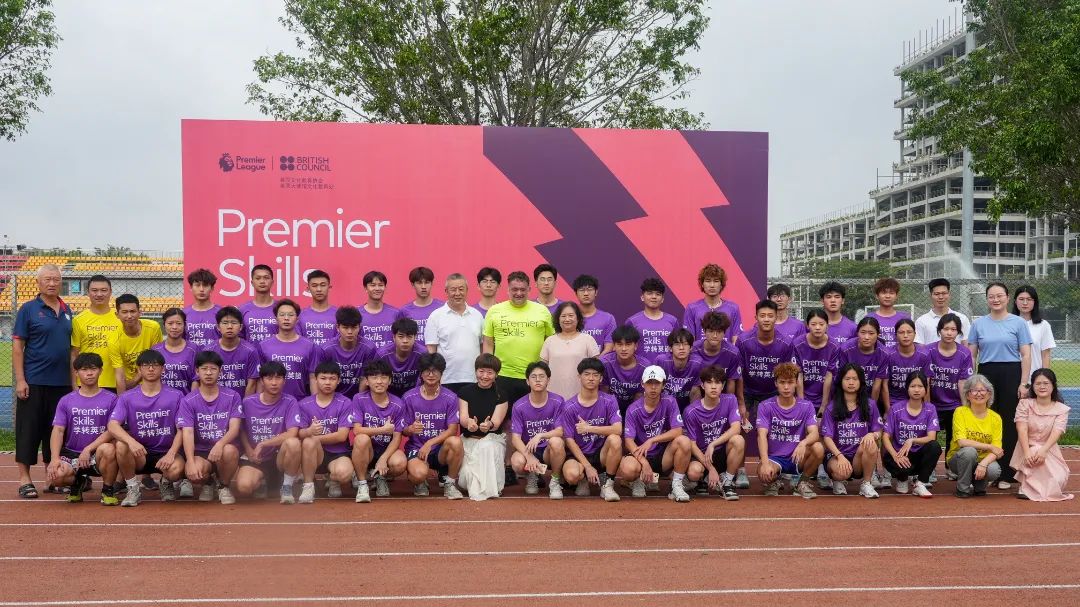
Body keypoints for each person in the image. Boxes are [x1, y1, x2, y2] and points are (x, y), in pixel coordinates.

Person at [968, 282, 1032, 490]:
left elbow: (1026, 354)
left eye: (999, 296)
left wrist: (1024, 383)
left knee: (1008, 422)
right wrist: (973, 381)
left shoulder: (1018, 323)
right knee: (985, 421)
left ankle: (1006, 473)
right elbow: (972, 355)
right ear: (987, 299)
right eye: (991, 296)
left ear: (1007, 298)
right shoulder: (978, 324)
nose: (995, 300)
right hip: (986, 373)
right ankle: (986, 470)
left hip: (1011, 374)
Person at [108, 349, 186, 506]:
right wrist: (131, 442)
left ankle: (166, 483)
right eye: (146, 365)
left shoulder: (176, 395)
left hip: (166, 452)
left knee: (176, 470)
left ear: (163, 369)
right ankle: (133, 489)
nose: (151, 369)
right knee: (121, 445)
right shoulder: (127, 397)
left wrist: (171, 453)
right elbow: (112, 425)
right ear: (139, 369)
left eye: (155, 365)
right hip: (140, 453)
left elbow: (182, 429)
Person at [45, 353, 118, 503]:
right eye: (84, 369)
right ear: (76, 372)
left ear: (101, 370)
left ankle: (107, 490)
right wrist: (54, 459)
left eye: (93, 369)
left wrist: (88, 449)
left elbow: (112, 430)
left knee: (109, 449)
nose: (89, 373)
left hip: (97, 453)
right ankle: (78, 482)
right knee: (56, 476)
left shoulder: (112, 399)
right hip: (72, 453)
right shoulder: (66, 400)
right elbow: (58, 430)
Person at [618, 366, 693, 502]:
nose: (653, 387)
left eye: (657, 383)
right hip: (640, 455)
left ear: (663, 385)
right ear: (642, 384)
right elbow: (628, 441)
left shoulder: (670, 401)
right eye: (649, 383)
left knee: (684, 441)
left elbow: (678, 430)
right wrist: (644, 463)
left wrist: (652, 440)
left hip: (663, 455)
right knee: (628, 469)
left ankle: (676, 485)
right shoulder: (633, 409)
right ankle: (637, 481)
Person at [177, 350, 242, 505]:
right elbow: (187, 432)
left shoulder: (233, 396)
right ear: (197, 371)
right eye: (204, 368)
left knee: (229, 451)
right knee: (194, 470)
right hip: (200, 451)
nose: (208, 373)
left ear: (220, 371)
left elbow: (234, 428)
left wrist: (220, 444)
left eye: (213, 369)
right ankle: (208, 483)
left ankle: (223, 485)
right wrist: (190, 461)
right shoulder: (188, 400)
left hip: (223, 448)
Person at [482, 270, 555, 407]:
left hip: (534, 376)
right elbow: (488, 343)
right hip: (502, 375)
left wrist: (544, 371)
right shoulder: (494, 311)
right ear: (508, 290)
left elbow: (551, 342)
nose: (519, 293)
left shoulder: (542, 311)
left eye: (523, 289)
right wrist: (489, 371)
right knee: (503, 417)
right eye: (514, 289)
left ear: (529, 289)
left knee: (533, 416)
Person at [233, 361, 302, 504]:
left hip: (279, 458)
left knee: (293, 443)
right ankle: (262, 481)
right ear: (262, 381)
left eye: (278, 378)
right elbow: (241, 430)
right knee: (244, 487)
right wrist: (248, 449)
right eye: (269, 378)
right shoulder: (247, 402)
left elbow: (292, 432)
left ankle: (287, 486)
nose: (274, 383)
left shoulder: (290, 401)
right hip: (256, 458)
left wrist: (263, 443)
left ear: (284, 381)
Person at [755, 362, 823, 499]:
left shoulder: (806, 406)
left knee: (818, 448)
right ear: (776, 383)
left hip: (797, 456)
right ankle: (774, 481)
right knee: (764, 473)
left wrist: (803, 443)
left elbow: (815, 433)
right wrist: (765, 463)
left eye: (790, 382)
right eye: (782, 382)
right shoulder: (765, 406)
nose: (786, 387)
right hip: (775, 458)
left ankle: (802, 483)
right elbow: (761, 435)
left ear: (796, 383)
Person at [401, 353, 465, 499]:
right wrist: (411, 429)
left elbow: (453, 430)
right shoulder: (409, 397)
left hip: (440, 450)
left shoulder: (450, 397)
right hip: (417, 448)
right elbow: (403, 430)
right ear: (421, 373)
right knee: (418, 475)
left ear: (441, 373)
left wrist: (430, 443)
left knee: (456, 442)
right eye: (427, 371)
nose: (431, 375)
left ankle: (449, 483)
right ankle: (419, 482)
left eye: (435, 371)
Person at [560, 357, 623, 501]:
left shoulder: (609, 400)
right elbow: (569, 440)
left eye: (595, 375)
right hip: (578, 455)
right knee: (571, 475)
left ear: (601, 378)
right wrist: (587, 466)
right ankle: (582, 479)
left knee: (615, 439)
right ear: (579, 377)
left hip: (600, 454)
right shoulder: (569, 406)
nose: (591, 378)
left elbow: (618, 429)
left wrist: (589, 428)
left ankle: (607, 484)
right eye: (587, 374)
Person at [296, 361, 355, 504]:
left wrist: (315, 437)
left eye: (332, 378)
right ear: (315, 379)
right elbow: (299, 433)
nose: (327, 382)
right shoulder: (304, 404)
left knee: (344, 474)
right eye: (323, 378)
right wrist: (309, 431)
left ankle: (333, 478)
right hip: (314, 453)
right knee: (308, 441)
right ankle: (308, 486)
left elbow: (342, 436)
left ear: (338, 380)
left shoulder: (345, 402)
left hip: (338, 453)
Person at [820, 364, 883, 499]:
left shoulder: (870, 404)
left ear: (861, 382)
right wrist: (839, 456)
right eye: (847, 379)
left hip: (858, 457)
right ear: (841, 381)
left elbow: (879, 430)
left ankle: (866, 484)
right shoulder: (832, 407)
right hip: (837, 455)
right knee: (841, 473)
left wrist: (872, 434)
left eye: (855, 379)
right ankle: (837, 480)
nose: (851, 382)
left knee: (871, 443)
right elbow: (827, 437)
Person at [349, 359, 407, 502]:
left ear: (390, 381)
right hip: (367, 450)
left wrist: (383, 459)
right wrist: (382, 429)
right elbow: (357, 430)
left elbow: (397, 437)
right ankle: (363, 484)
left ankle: (380, 477)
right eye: (374, 377)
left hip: (386, 449)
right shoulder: (359, 399)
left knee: (400, 463)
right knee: (361, 439)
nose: (379, 381)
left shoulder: (398, 404)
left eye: (383, 377)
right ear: (367, 381)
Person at [683, 365, 743, 500]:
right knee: (694, 472)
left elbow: (736, 428)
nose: (714, 387)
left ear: (723, 385)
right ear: (702, 386)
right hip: (701, 455)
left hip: (720, 453)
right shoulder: (691, 411)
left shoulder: (730, 400)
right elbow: (692, 445)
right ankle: (702, 480)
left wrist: (713, 444)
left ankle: (727, 483)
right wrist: (711, 469)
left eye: (718, 382)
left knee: (738, 440)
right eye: (709, 382)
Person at [1012, 369, 1073, 501]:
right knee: (1034, 451)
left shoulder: (1061, 409)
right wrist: (1027, 453)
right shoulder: (1024, 404)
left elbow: (1057, 431)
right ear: (1033, 386)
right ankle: (1026, 486)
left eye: (1046, 383)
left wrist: (1044, 450)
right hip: (1026, 447)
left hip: (1048, 448)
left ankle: (1035, 486)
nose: (1042, 386)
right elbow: (1022, 429)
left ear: (1053, 385)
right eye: (1038, 383)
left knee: (1059, 480)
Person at [509, 361, 566, 499]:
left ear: (548, 380)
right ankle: (532, 475)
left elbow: (560, 431)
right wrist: (529, 457)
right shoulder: (519, 405)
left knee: (556, 442)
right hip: (529, 449)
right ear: (527, 381)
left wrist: (540, 435)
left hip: (548, 450)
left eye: (542, 376)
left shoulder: (558, 401)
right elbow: (515, 438)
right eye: (533, 377)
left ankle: (555, 481)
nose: (538, 380)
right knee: (517, 462)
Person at [456, 353, 509, 500]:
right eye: (481, 371)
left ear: (496, 375)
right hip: (468, 441)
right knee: (465, 480)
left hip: (492, 440)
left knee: (487, 447)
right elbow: (463, 418)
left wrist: (489, 425)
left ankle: (492, 487)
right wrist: (469, 423)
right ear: (475, 371)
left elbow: (496, 422)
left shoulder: (501, 395)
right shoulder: (465, 392)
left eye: (490, 372)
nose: (485, 376)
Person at [882, 371, 941, 498]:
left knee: (935, 446)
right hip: (901, 454)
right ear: (907, 388)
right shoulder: (896, 408)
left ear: (925, 389)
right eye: (913, 386)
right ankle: (902, 479)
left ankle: (920, 483)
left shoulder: (930, 409)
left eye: (920, 386)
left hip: (919, 455)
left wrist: (912, 440)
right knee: (895, 463)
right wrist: (895, 456)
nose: (917, 390)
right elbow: (885, 436)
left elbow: (931, 437)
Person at [928, 313, 975, 472]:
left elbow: (963, 382)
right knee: (930, 438)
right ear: (939, 330)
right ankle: (929, 470)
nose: (949, 333)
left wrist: (965, 407)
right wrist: (926, 405)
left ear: (958, 332)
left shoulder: (964, 353)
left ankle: (950, 467)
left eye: (953, 329)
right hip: (933, 404)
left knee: (953, 437)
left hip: (953, 404)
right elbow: (926, 380)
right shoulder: (929, 350)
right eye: (946, 329)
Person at [738, 300, 797, 425]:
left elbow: (789, 375)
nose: (766, 319)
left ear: (776, 318)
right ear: (756, 318)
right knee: (743, 428)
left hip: (774, 393)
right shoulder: (743, 341)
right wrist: (741, 403)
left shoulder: (786, 343)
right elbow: (738, 374)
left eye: (770, 316)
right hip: (747, 393)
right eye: (762, 316)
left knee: (771, 430)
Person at [425, 273, 484, 394]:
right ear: (446, 291)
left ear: (467, 290)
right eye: (453, 289)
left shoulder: (477, 315)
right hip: (446, 379)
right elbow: (431, 351)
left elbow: (483, 347)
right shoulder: (436, 316)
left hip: (474, 378)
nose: (457, 293)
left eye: (461, 289)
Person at [947, 374, 1003, 498]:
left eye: (983, 390)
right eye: (974, 390)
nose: (979, 394)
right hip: (959, 458)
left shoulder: (996, 418)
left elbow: (997, 449)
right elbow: (962, 442)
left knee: (994, 470)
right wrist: (989, 446)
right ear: (968, 395)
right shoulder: (960, 412)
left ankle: (979, 484)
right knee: (969, 452)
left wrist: (983, 464)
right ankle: (963, 489)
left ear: (989, 394)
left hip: (982, 459)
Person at [822, 317, 887, 414]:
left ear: (878, 334)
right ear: (857, 333)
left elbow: (877, 386)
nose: (866, 337)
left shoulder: (884, 353)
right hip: (847, 395)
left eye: (871, 333)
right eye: (863, 332)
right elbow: (843, 379)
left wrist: (870, 408)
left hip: (870, 396)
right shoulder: (846, 349)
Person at [257, 299, 321, 399]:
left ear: (297, 319)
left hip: (299, 402)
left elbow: (313, 378)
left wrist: (314, 404)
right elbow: (260, 379)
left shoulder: (309, 346)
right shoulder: (264, 345)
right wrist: (258, 403)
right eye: (282, 315)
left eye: (291, 315)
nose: (286, 318)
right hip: (272, 403)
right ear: (276, 319)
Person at [69, 274, 121, 392]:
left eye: (104, 290)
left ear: (110, 292)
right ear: (88, 292)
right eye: (94, 290)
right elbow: (74, 354)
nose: (99, 294)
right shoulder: (79, 320)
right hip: (86, 382)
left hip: (116, 381)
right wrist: (74, 383)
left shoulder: (120, 317)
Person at [540, 301, 600, 399]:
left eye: (571, 315)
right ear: (558, 319)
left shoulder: (587, 339)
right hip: (553, 397)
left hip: (581, 397)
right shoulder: (550, 341)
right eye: (563, 316)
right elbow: (542, 370)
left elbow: (597, 369)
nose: (567, 319)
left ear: (578, 318)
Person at [108, 294, 163, 393]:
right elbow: (119, 376)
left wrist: (139, 376)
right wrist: (121, 400)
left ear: (139, 312)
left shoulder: (153, 328)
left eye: (133, 311)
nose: (129, 316)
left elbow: (156, 363)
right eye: (124, 312)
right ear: (117, 315)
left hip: (151, 381)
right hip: (129, 386)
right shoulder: (113, 340)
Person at [321, 306, 377, 398]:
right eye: (345, 327)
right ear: (337, 327)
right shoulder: (327, 349)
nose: (350, 332)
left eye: (354, 327)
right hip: (334, 398)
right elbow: (323, 379)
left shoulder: (369, 348)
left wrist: (358, 401)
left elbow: (365, 378)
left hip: (360, 396)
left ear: (359, 327)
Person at [206, 306, 260, 398]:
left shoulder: (250, 351)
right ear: (218, 327)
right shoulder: (209, 350)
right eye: (225, 323)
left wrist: (244, 405)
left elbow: (252, 384)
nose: (230, 327)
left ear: (241, 327)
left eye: (234, 323)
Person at [881, 319, 935, 406]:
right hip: (894, 401)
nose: (905, 336)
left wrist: (926, 408)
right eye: (901, 332)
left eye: (909, 332)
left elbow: (927, 384)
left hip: (917, 401)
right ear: (895, 335)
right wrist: (888, 410)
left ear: (915, 334)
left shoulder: (924, 354)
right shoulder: (888, 354)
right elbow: (884, 385)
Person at [794, 309, 839, 414]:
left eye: (821, 324)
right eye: (813, 324)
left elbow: (829, 375)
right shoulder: (797, 344)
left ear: (827, 325)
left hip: (826, 398)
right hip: (803, 396)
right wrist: (802, 403)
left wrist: (824, 405)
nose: (818, 327)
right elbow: (798, 374)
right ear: (807, 325)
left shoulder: (834, 346)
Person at [683, 263, 741, 342]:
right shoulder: (692, 308)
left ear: (721, 285)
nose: (712, 285)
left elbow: (736, 339)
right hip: (700, 350)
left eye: (716, 281)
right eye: (708, 281)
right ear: (702, 284)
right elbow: (689, 341)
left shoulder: (733, 308)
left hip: (726, 350)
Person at [625, 278, 679, 363]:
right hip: (642, 368)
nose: (654, 297)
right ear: (642, 297)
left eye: (658, 294)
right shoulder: (632, 321)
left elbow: (677, 346)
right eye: (649, 293)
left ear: (662, 299)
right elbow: (626, 347)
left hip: (667, 367)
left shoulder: (672, 321)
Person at [600, 324, 648, 416]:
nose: (624, 349)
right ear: (614, 346)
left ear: (636, 346)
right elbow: (604, 394)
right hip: (610, 408)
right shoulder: (605, 363)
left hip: (635, 410)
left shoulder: (645, 367)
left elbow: (639, 397)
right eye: (619, 344)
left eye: (628, 344)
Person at [656, 328, 705, 411]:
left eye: (685, 344)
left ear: (691, 348)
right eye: (677, 344)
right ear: (670, 348)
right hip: (663, 406)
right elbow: (655, 389)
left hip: (686, 406)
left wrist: (694, 413)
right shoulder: (661, 361)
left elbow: (695, 392)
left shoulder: (697, 363)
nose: (681, 348)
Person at [152, 308, 198, 394]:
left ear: (185, 325)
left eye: (179, 323)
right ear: (164, 325)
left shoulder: (193, 349)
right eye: (170, 323)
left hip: (185, 399)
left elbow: (196, 379)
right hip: (162, 400)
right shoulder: (155, 350)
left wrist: (190, 400)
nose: (174, 327)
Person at [377, 318, 426, 397]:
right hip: (387, 396)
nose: (405, 341)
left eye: (409, 336)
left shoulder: (423, 354)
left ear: (415, 337)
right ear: (394, 337)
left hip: (414, 396)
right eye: (401, 336)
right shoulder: (382, 354)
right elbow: (375, 379)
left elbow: (426, 380)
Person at [914, 278, 971, 346]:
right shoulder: (921, 321)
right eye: (937, 294)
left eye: (944, 293)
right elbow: (920, 347)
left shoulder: (962, 319)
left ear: (949, 294)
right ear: (930, 296)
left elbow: (966, 344)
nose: (941, 297)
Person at [1013, 285, 1055, 374]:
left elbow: (1045, 355)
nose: (1025, 303)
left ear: (1034, 302)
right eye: (1021, 299)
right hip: (1011, 376)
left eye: (1029, 299)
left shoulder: (1043, 325)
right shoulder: (1008, 324)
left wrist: (1044, 376)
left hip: (1034, 376)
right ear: (1015, 301)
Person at [572, 274, 616, 354]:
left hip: (600, 361)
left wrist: (596, 360)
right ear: (576, 293)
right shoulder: (569, 319)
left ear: (596, 292)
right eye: (582, 290)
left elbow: (609, 347)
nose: (586, 293)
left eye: (590, 289)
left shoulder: (608, 318)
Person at [400, 266, 443, 341]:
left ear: (432, 283)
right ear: (412, 284)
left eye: (427, 282)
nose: (423, 287)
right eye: (419, 283)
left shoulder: (442, 307)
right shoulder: (404, 311)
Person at [360, 270, 401, 349]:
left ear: (385, 287)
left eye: (380, 285)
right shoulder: (357, 314)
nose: (377, 288)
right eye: (373, 285)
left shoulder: (396, 313)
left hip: (388, 357)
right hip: (365, 357)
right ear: (365, 288)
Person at [866, 277, 910, 350]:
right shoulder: (869, 318)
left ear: (897, 296)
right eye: (884, 293)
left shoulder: (905, 318)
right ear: (877, 296)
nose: (887, 296)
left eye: (891, 293)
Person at [239, 264, 277, 343]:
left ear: (272, 282)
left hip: (276, 351)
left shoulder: (280, 308)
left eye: (266, 278)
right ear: (252, 283)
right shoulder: (243, 310)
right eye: (258, 278)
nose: (262, 281)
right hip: (251, 351)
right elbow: (238, 338)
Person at [183, 268, 221, 349]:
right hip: (191, 356)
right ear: (191, 287)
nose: (201, 289)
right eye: (197, 285)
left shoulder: (221, 313)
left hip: (215, 356)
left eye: (205, 285)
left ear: (212, 288)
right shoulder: (183, 314)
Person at [298, 269, 337, 346]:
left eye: (323, 285)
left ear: (329, 287)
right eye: (314, 286)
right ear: (308, 289)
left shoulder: (339, 314)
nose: (319, 289)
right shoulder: (300, 315)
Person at [818, 281, 857, 345]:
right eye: (829, 297)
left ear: (843, 301)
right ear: (822, 301)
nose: (833, 300)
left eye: (837, 297)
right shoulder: (814, 327)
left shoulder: (853, 328)